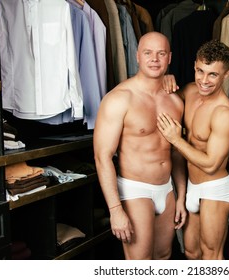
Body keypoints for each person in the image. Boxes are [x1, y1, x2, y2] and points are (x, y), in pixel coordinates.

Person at [93, 31, 187, 260]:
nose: (154, 59)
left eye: (161, 53)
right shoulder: (119, 98)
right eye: (148, 53)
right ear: (137, 56)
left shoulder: (175, 100)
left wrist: (181, 196)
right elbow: (102, 156)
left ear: (169, 58)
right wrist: (115, 210)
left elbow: (176, 153)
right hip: (135, 189)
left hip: (166, 190)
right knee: (140, 264)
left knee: (164, 256)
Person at [157, 39, 229, 260]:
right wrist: (165, 79)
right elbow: (166, 98)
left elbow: (212, 164)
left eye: (213, 75)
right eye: (200, 71)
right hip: (192, 186)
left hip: (215, 189)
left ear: (226, 75)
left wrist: (176, 139)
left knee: (211, 256)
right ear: (194, 65)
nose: (204, 80)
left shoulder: (225, 113)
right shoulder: (190, 91)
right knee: (192, 252)